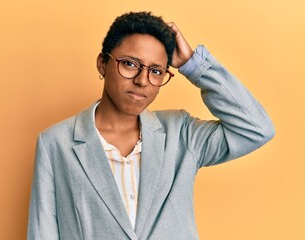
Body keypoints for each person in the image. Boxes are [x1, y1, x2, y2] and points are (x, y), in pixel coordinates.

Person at [27, 11, 275, 240]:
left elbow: (256, 127)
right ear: (103, 63)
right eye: (130, 64)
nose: (142, 81)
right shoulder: (56, 144)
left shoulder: (181, 134)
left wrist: (194, 65)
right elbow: (43, 232)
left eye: (156, 71)